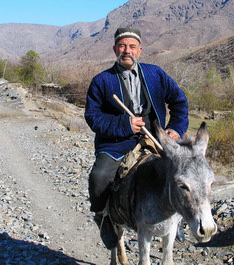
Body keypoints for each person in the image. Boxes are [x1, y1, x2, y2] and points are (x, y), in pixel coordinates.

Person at [84, 27, 189, 249]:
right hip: (116, 142)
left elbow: (179, 103)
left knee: (184, 174)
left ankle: (178, 219)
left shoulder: (156, 74)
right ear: (114, 49)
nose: (127, 51)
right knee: (99, 177)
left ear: (140, 50)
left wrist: (175, 129)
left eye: (132, 46)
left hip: (154, 138)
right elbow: (93, 117)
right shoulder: (101, 81)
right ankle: (103, 218)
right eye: (122, 46)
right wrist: (125, 124)